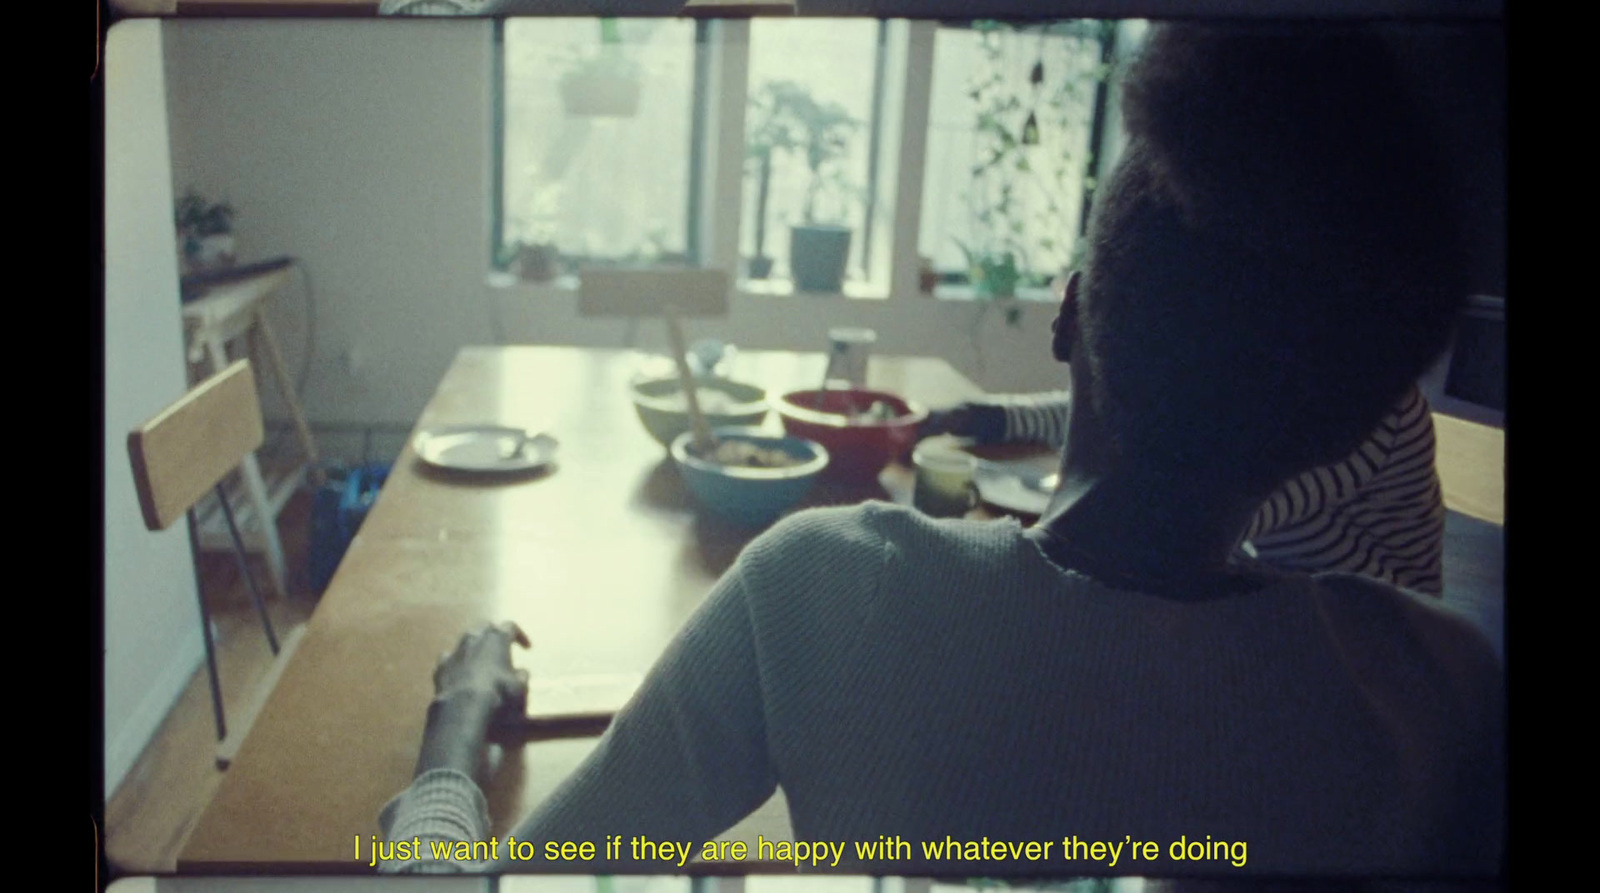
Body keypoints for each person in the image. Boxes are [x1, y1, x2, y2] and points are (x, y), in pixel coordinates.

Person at [379, 23, 1503, 875]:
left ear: (1069, 316)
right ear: (1359, 419)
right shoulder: (1446, 696)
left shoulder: (824, 589)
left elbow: (519, 876)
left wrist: (454, 734)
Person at [922, 382, 1448, 596]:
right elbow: (1110, 399)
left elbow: (1223, 513)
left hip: (1380, 634)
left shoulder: (1379, 401)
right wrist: (994, 417)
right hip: (1277, 596)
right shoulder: (1263, 369)